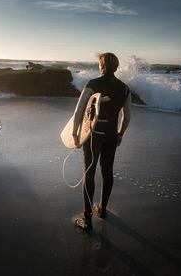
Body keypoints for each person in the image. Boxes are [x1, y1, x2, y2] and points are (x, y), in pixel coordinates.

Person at [72, 52, 132, 231]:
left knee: (89, 173)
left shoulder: (93, 84)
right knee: (108, 171)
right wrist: (120, 133)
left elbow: (78, 111)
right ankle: (102, 210)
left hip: (94, 134)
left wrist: (75, 135)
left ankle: (87, 219)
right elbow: (127, 116)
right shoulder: (125, 89)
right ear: (116, 67)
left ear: (102, 66)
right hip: (112, 134)